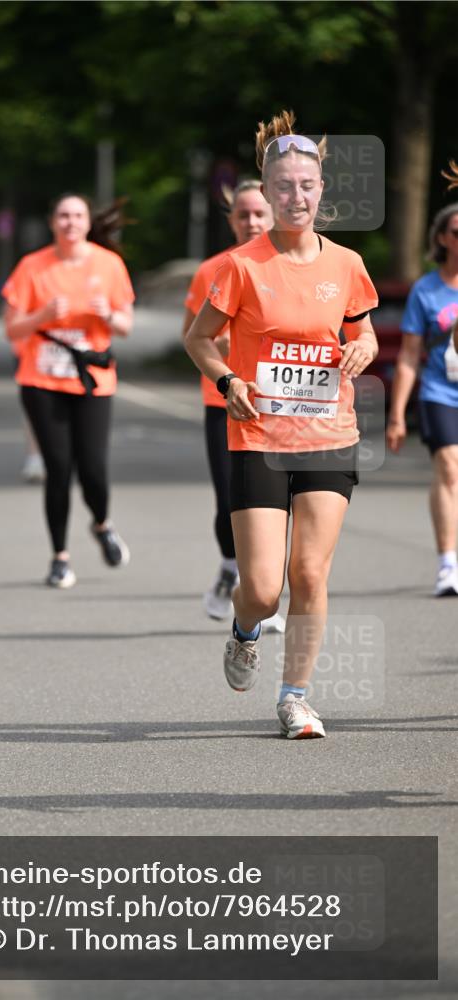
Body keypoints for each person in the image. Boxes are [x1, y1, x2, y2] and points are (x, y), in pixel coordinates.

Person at [185, 111, 379, 739]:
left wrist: (362, 350)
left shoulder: (347, 263)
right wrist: (227, 380)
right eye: (284, 186)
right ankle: (245, 631)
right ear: (265, 194)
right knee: (264, 589)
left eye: (307, 185)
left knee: (310, 574)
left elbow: (365, 330)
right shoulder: (241, 266)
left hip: (329, 435)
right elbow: (200, 340)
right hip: (260, 439)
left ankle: (295, 698)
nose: (296, 196)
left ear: (322, 191)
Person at [2, 193, 134, 588]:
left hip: (93, 378)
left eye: (77, 215)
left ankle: (101, 523)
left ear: (88, 222)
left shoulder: (108, 265)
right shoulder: (32, 267)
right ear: (52, 222)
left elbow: (125, 325)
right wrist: (42, 316)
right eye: (63, 215)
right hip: (43, 380)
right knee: (57, 469)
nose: (70, 222)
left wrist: (106, 315)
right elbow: (11, 329)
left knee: (93, 467)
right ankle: (60, 556)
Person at [183, 180, 282, 632]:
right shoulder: (212, 270)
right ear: (230, 220)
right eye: (243, 215)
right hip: (222, 401)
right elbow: (193, 336)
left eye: (259, 214)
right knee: (230, 502)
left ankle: (268, 591)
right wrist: (223, 349)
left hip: (282, 404)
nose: (251, 222)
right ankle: (230, 567)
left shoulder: (292, 265)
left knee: (281, 503)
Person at [386, 202, 458, 596]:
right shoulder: (427, 290)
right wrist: (397, 415)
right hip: (439, 391)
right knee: (449, 468)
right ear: (443, 239)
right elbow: (410, 356)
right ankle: (448, 562)